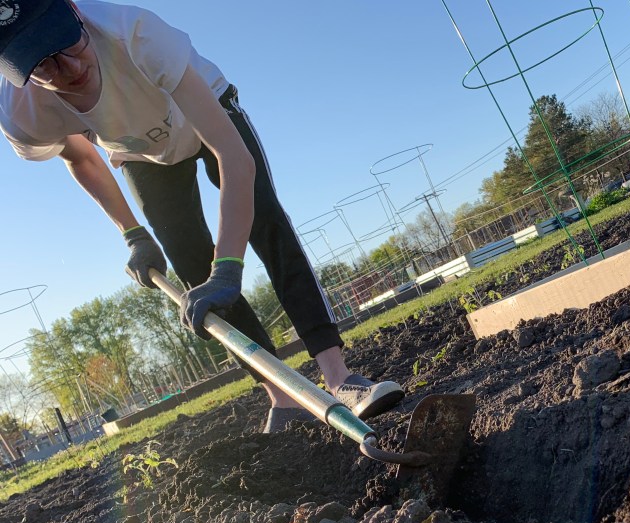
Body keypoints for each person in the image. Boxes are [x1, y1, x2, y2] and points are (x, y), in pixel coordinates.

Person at [0, 0, 404, 433]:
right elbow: (80, 156)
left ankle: (339, 378)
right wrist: (133, 234)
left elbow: (234, 158)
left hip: (208, 112)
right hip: (142, 153)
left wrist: (228, 266)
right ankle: (284, 397)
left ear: (74, 11)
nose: (69, 68)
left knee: (265, 222)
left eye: (66, 42)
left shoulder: (135, 34)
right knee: (194, 271)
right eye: (43, 65)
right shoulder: (21, 114)